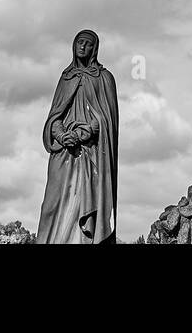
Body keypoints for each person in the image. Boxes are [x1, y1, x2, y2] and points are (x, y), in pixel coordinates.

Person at [35, 29, 119, 244]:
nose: (82, 46)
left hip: (89, 154)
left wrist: (82, 133)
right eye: (79, 42)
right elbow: (54, 116)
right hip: (63, 153)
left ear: (95, 48)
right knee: (50, 206)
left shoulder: (104, 78)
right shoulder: (66, 78)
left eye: (88, 43)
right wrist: (62, 136)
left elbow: (107, 120)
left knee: (82, 202)